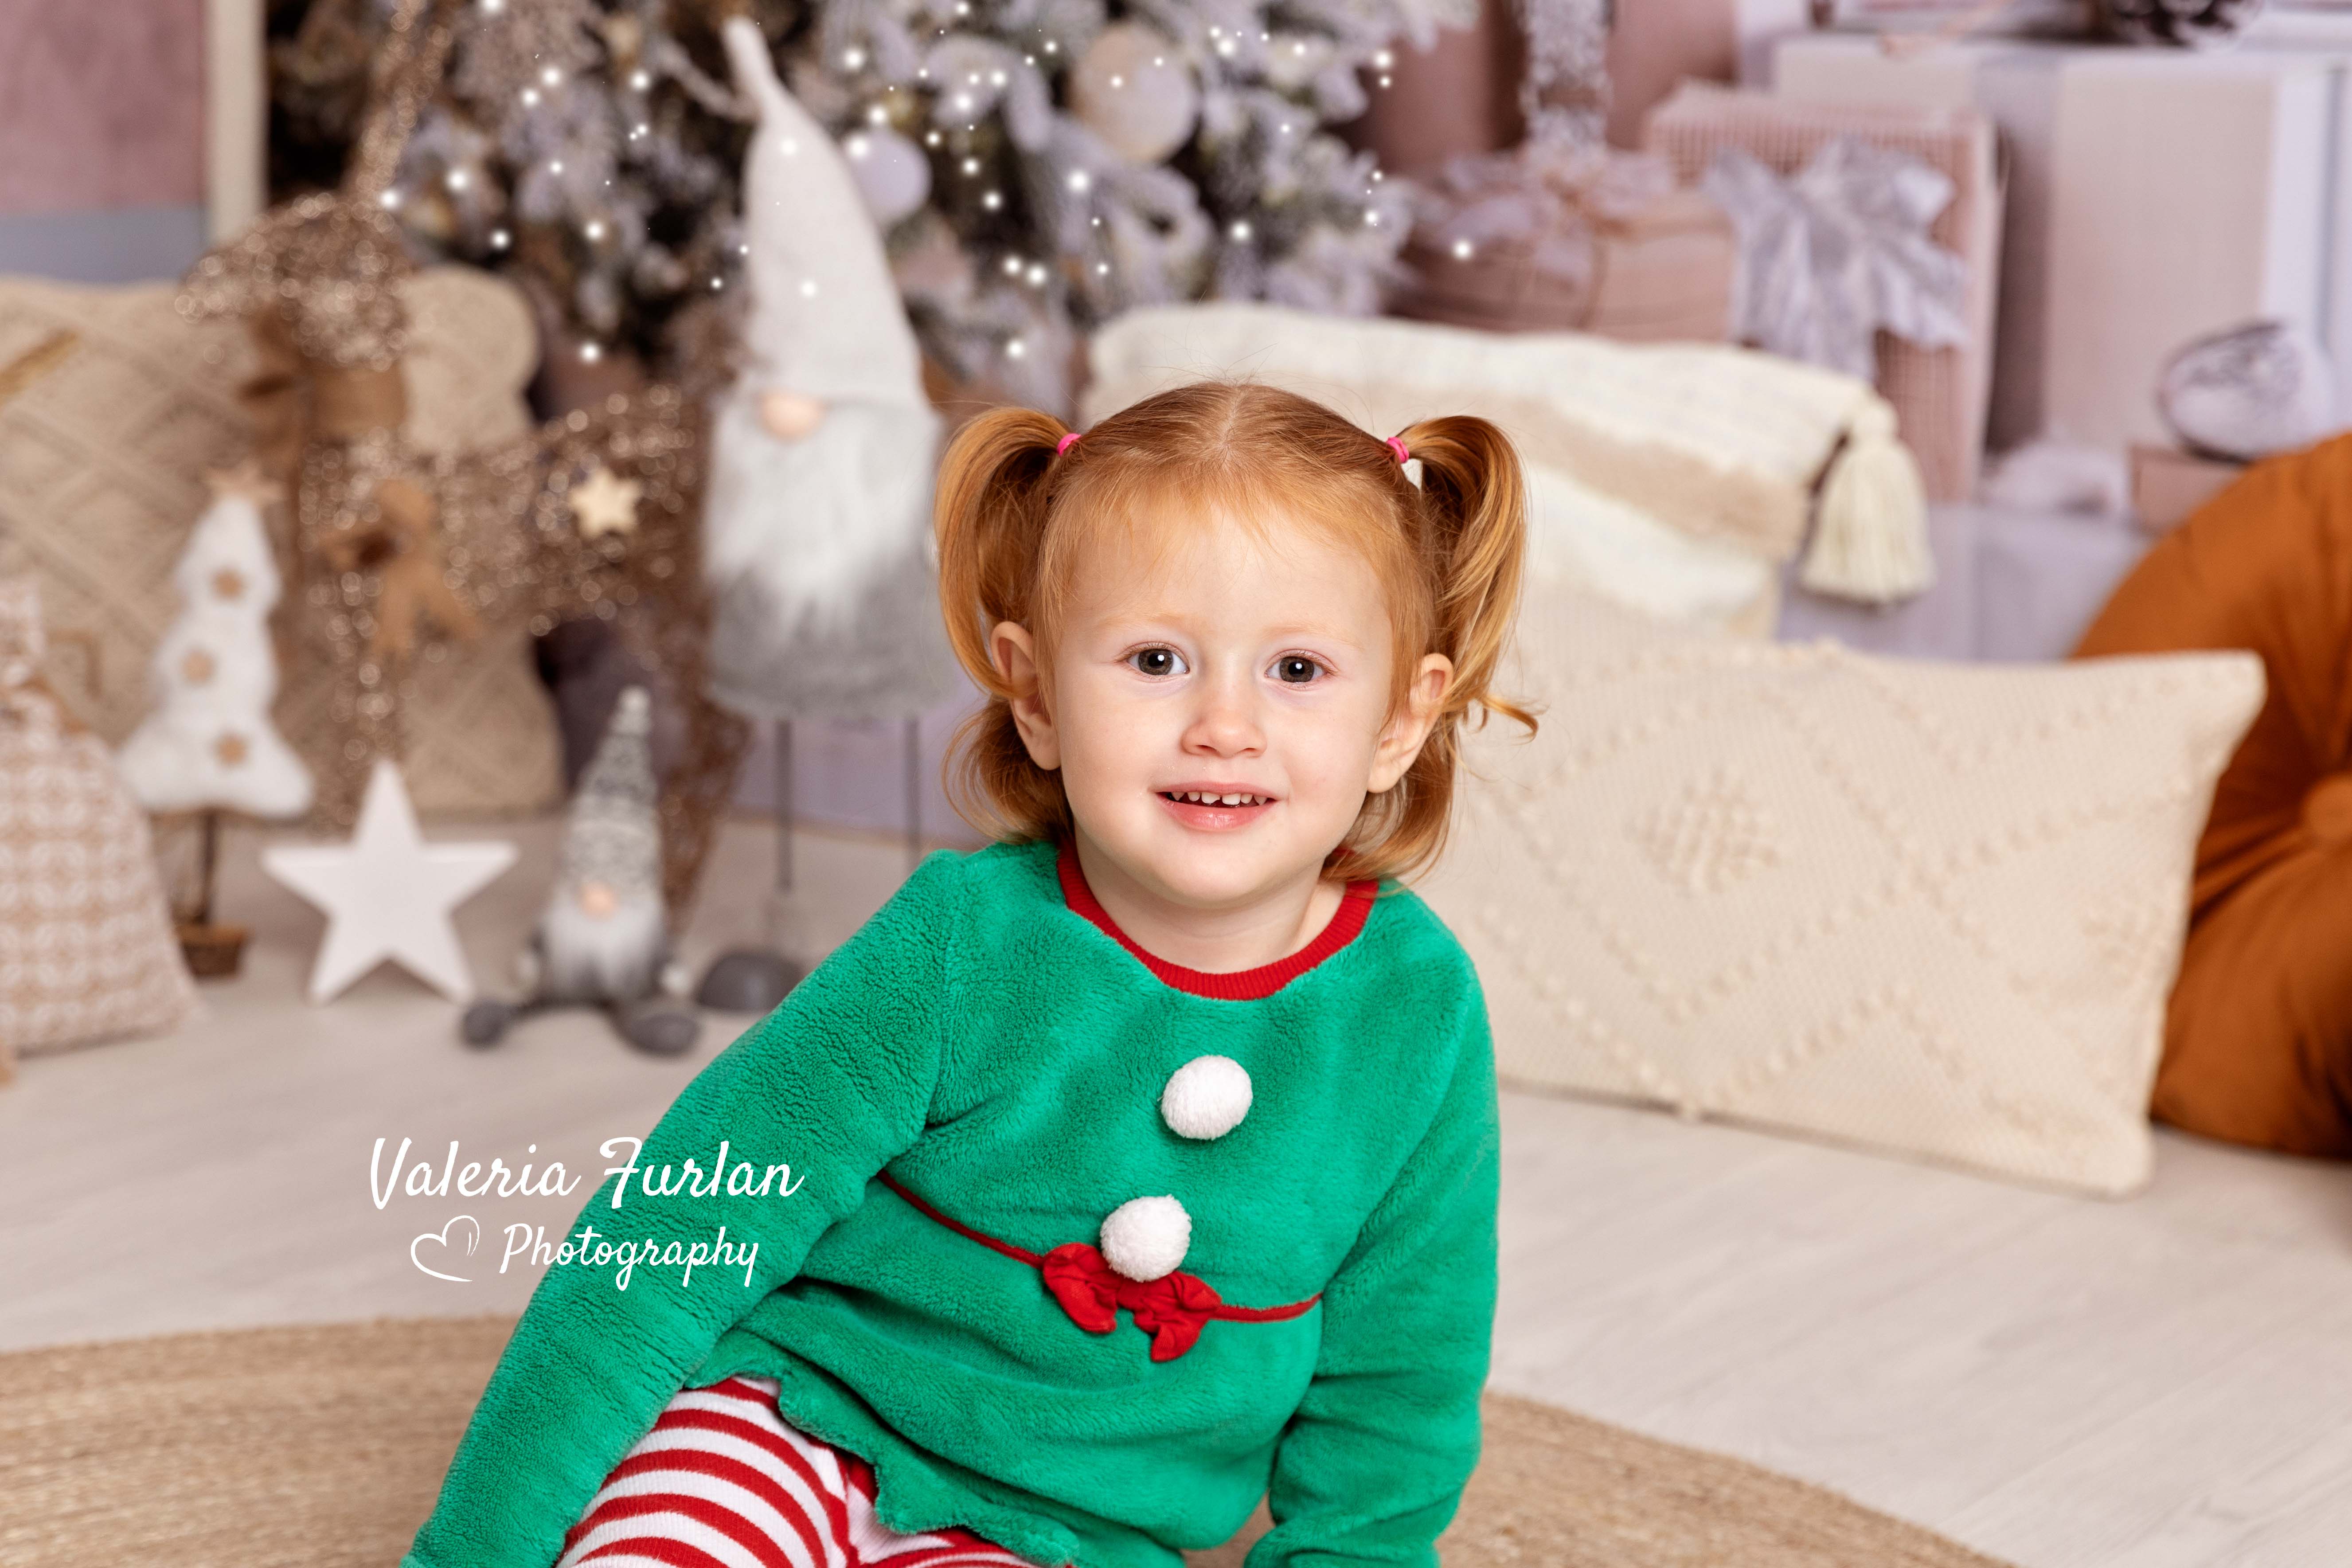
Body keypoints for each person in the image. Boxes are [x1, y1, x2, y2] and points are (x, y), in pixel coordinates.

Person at [400, 380, 1534, 1568]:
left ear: (1401, 719)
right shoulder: (960, 944)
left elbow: (1399, 1388)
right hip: (793, 1423)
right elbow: (673, 1234)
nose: (1223, 724)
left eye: (1297, 670)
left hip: (1074, 1539)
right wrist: (474, 1553)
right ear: (1035, 694)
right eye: (1156, 659)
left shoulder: (1418, 1012)